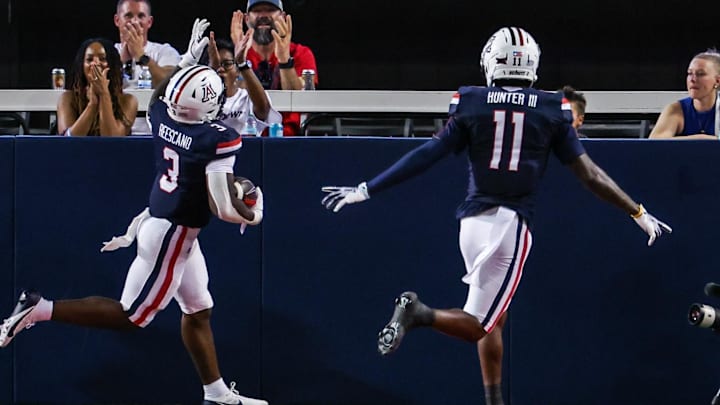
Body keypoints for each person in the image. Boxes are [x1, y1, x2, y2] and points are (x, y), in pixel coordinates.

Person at [321, 27, 672, 405]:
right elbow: (590, 174)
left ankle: (494, 400)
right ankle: (418, 312)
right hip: (510, 225)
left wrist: (367, 188)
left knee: (493, 316)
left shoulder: (473, 101)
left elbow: (427, 154)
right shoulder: (552, 108)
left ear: (491, 60)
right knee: (479, 324)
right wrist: (636, 211)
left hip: (471, 224)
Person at [1, 19, 267, 405]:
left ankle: (216, 393)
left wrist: (190, 57)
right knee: (132, 316)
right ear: (204, 106)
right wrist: (255, 211)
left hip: (161, 223)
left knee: (198, 310)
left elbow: (160, 93)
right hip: (174, 234)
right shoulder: (215, 138)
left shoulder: (161, 115)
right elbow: (225, 208)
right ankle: (40, 309)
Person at [244, 0, 318, 136]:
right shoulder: (238, 54)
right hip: (245, 136)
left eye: (270, 10)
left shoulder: (300, 53)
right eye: (257, 11)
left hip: (289, 139)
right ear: (246, 18)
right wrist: (239, 61)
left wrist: (284, 59)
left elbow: (299, 100)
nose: (263, 15)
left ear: (283, 17)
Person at [205, 11, 282, 135]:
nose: (221, 70)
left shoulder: (246, 97)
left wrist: (242, 62)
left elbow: (263, 110)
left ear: (236, 71)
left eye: (227, 64)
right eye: (216, 65)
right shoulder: (199, 99)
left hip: (245, 151)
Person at [56, 37, 138, 136]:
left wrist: (104, 94)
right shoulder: (67, 99)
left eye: (102, 59)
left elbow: (113, 141)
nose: (95, 63)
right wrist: (93, 104)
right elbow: (68, 141)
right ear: (82, 66)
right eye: (89, 59)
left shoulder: (128, 101)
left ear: (112, 64)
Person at [648, 49, 720, 139]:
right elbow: (655, 142)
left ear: (717, 81)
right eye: (690, 73)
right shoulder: (675, 109)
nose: (692, 79)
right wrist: (703, 139)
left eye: (700, 74)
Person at [114, 0, 181, 89]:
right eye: (128, 16)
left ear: (149, 22)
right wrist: (120, 63)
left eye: (141, 16)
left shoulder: (165, 51)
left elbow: (169, 85)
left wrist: (141, 56)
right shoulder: (107, 52)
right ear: (117, 20)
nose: (134, 21)